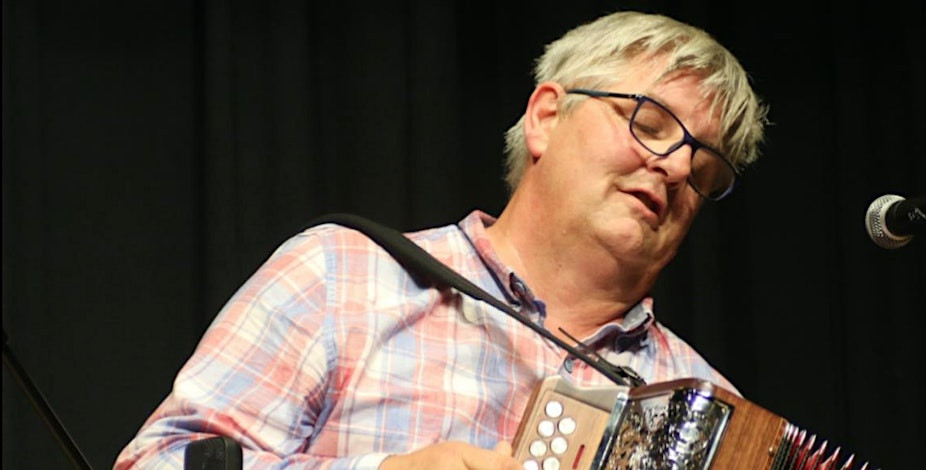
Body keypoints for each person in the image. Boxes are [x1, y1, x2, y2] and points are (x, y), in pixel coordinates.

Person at [115, 10, 766, 470]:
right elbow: (158, 463)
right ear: (546, 117)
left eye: (704, 169)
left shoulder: (711, 410)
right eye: (649, 124)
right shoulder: (343, 276)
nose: (676, 169)